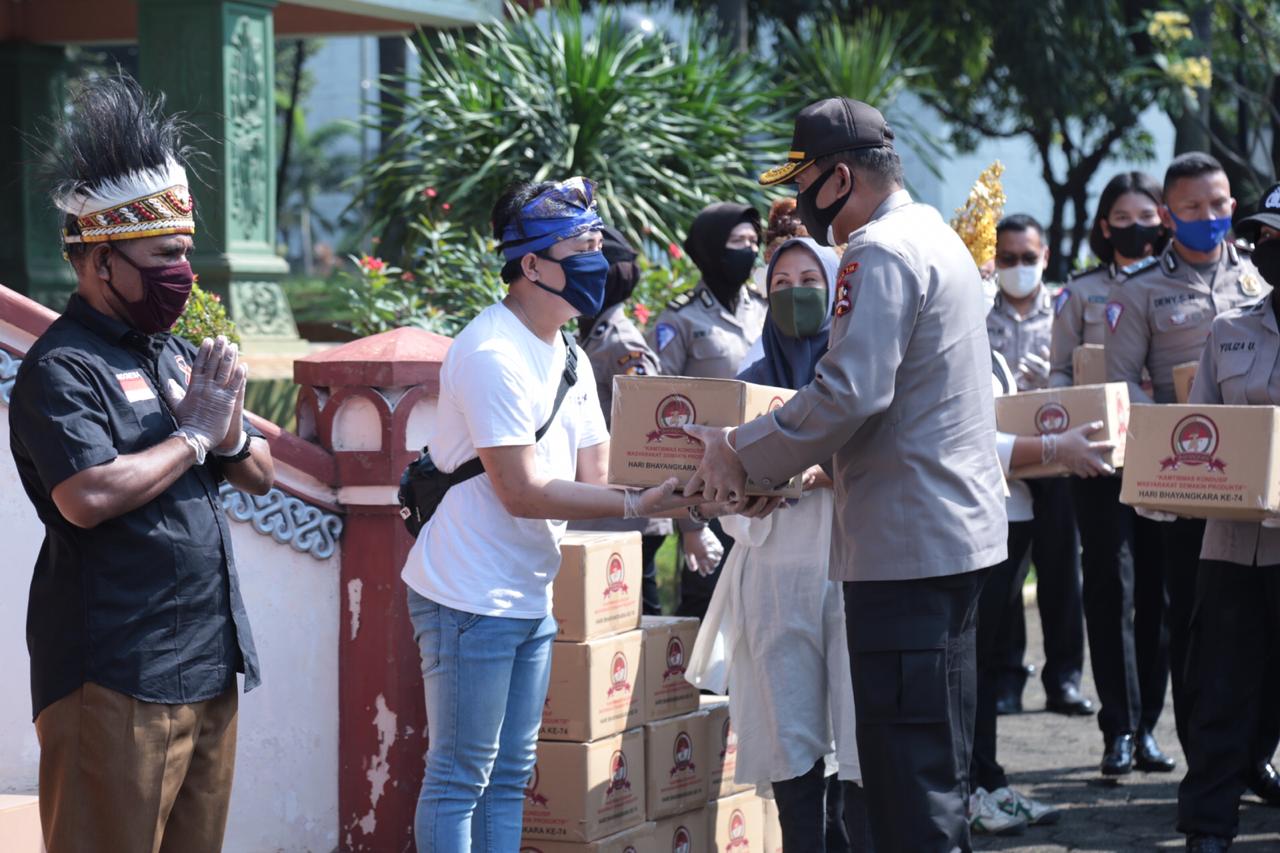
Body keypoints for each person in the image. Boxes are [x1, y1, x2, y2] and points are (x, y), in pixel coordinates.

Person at [685, 97, 1008, 852]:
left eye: (803, 182)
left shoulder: (879, 252)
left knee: (907, 786)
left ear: (837, 179)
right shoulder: (933, 235)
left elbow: (850, 392)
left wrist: (739, 450)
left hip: (905, 554)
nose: (796, 203)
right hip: (946, 543)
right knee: (934, 772)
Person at [399, 177, 718, 852]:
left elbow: (600, 476)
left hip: (527, 593)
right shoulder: (491, 352)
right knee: (461, 777)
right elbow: (523, 489)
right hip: (467, 594)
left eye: (599, 244)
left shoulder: (569, 353)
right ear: (533, 265)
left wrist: (698, 480)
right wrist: (639, 502)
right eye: (581, 246)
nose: (597, 260)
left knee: (511, 773)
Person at [8, 76, 274, 853]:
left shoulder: (173, 354)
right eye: (163, 256)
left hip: (206, 665)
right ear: (101, 263)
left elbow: (256, 470)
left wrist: (222, 434)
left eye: (185, 253)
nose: (182, 273)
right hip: (116, 675)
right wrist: (192, 436)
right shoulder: (62, 369)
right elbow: (86, 495)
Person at [687, 236, 865, 852]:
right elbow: (716, 491)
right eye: (781, 285)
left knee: (860, 734)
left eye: (809, 280)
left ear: (840, 289)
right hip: (773, 577)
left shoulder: (858, 377)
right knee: (791, 741)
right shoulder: (748, 386)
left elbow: (886, 459)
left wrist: (819, 470)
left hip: (853, 573)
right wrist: (738, 497)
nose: (795, 295)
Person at [1105, 152, 1270, 757]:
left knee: (1262, 627)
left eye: (1221, 204)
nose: (1211, 216)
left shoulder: (1258, 276)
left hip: (1261, 481)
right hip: (1187, 478)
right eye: (1194, 208)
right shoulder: (1141, 291)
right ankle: (1206, 756)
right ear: (1168, 216)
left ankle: (1255, 754)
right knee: (1191, 622)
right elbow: (1122, 385)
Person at [1049, 171, 1176, 776]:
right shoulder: (1080, 293)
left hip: (1170, 461)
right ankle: (1117, 729)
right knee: (1108, 589)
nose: (1135, 227)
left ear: (1164, 218)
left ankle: (1149, 726)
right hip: (1102, 460)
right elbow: (1057, 373)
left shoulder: (1185, 288)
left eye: (1145, 214)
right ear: (1104, 226)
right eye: (1121, 218)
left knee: (1159, 593)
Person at [969, 350, 1114, 836]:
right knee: (969, 663)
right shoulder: (945, 345)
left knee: (983, 661)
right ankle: (971, 786)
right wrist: (1053, 446)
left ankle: (985, 780)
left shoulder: (986, 349)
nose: (992, 275)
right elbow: (971, 443)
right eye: (986, 266)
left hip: (1013, 520)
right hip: (977, 524)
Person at [1176, 183, 1280, 852]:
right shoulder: (1229, 329)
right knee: (1218, 687)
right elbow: (1199, 430)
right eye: (1265, 238)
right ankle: (1209, 825)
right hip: (1232, 543)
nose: (1268, 249)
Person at [985, 214, 1093, 719]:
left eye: (1028, 258)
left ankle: (1065, 678)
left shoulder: (1065, 311)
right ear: (994, 260)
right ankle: (1008, 678)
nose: (1018, 267)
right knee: (1006, 574)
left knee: (1060, 574)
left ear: (1045, 257)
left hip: (1062, 455)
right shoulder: (979, 313)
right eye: (1008, 259)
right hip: (1004, 459)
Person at [648, 201, 768, 618]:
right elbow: (656, 408)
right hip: (705, 483)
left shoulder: (766, 309)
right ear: (712, 248)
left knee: (759, 602)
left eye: (755, 241)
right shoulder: (679, 319)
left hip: (764, 473)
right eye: (739, 242)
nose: (750, 251)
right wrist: (690, 524)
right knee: (707, 602)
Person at [569, 226, 673, 615]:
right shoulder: (591, 334)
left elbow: (652, 431)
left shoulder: (622, 344)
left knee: (634, 624)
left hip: (630, 514)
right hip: (607, 511)